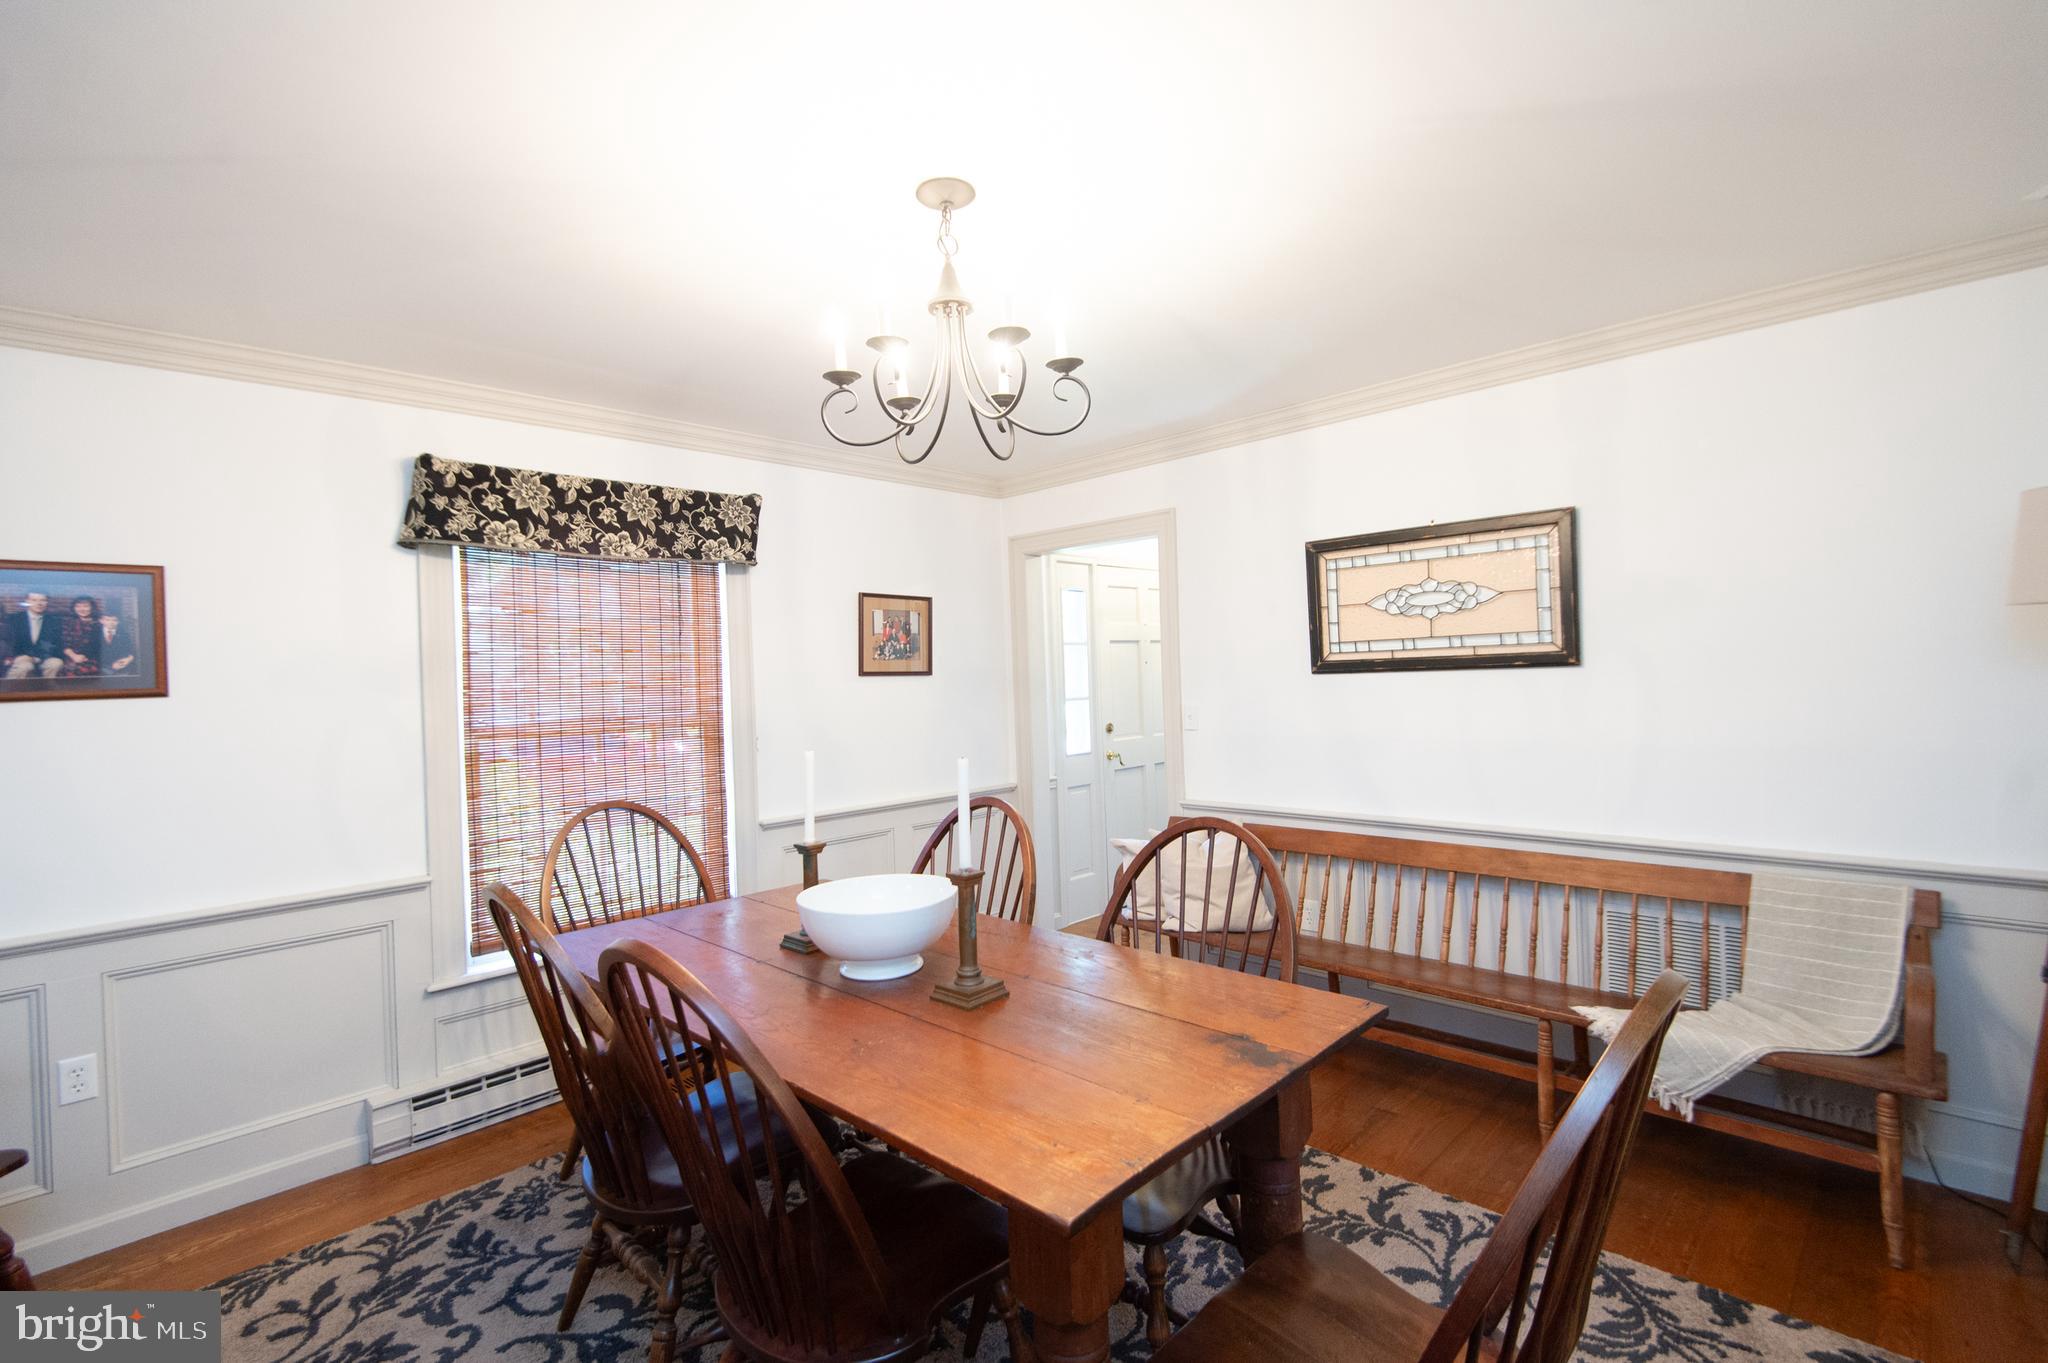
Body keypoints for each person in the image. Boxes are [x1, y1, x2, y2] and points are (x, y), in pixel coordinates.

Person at [4, 592, 64, 680]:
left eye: (43, 600)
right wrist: (15, 657)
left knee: (56, 663)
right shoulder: (14, 619)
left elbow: (56, 644)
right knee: (25, 667)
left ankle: (47, 688)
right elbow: (8, 641)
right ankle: (9, 689)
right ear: (27, 601)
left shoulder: (54, 621)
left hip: (44, 657)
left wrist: (39, 657)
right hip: (20, 657)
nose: (39, 603)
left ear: (47, 602)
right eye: (34, 600)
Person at [60, 596, 103, 677]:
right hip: (72, 656)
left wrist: (84, 657)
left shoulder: (99, 623)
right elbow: (64, 644)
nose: (82, 609)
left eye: (86, 606)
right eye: (78, 606)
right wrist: (74, 656)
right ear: (74, 608)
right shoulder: (69, 623)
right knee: (66, 670)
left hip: (93, 658)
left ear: (92, 607)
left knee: (76, 671)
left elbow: (100, 646)